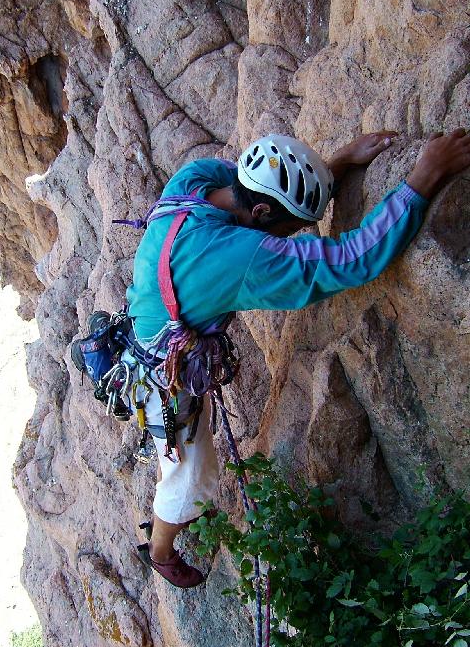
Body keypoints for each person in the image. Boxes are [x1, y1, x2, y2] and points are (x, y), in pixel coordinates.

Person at [125, 127, 470, 588]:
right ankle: (161, 550)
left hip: (149, 327)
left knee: (187, 460)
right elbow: (352, 259)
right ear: (262, 213)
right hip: (161, 377)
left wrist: (336, 163)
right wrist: (425, 175)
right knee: (190, 476)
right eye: (294, 227)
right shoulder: (240, 258)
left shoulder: (197, 180)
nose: (298, 235)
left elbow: (263, 188)